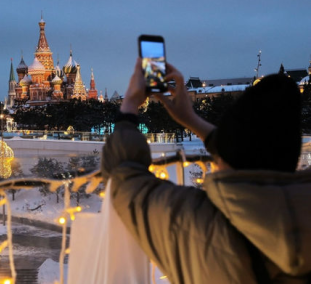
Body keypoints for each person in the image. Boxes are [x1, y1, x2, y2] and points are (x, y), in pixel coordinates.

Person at [101, 58, 311, 284]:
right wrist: (191, 119)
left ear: (224, 156)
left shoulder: (199, 228)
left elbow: (122, 174)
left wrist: (129, 105)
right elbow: (251, 148)